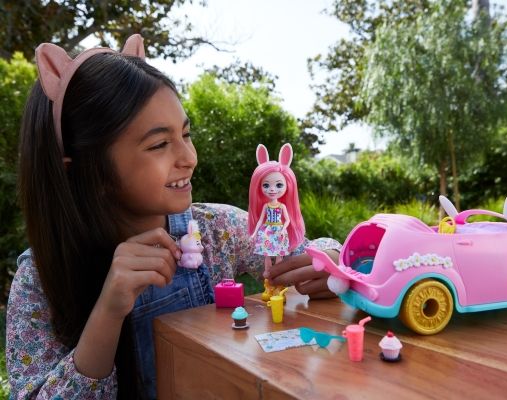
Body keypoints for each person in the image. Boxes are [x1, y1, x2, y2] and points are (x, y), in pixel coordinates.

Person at [6, 34, 340, 399]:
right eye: (159, 144)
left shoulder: (217, 231)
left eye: (186, 133)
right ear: (88, 171)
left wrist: (332, 265)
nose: (189, 157)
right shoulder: (40, 278)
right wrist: (109, 311)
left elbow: (310, 254)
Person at [248, 143, 304, 300]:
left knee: (279, 256)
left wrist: (284, 228)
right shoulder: (266, 206)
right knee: (267, 256)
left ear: (287, 185)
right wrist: (254, 232)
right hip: (267, 231)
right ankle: (268, 282)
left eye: (279, 185)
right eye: (266, 185)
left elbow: (287, 219)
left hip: (278, 231)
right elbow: (260, 220)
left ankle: (279, 284)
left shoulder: (282, 206)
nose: (272, 189)